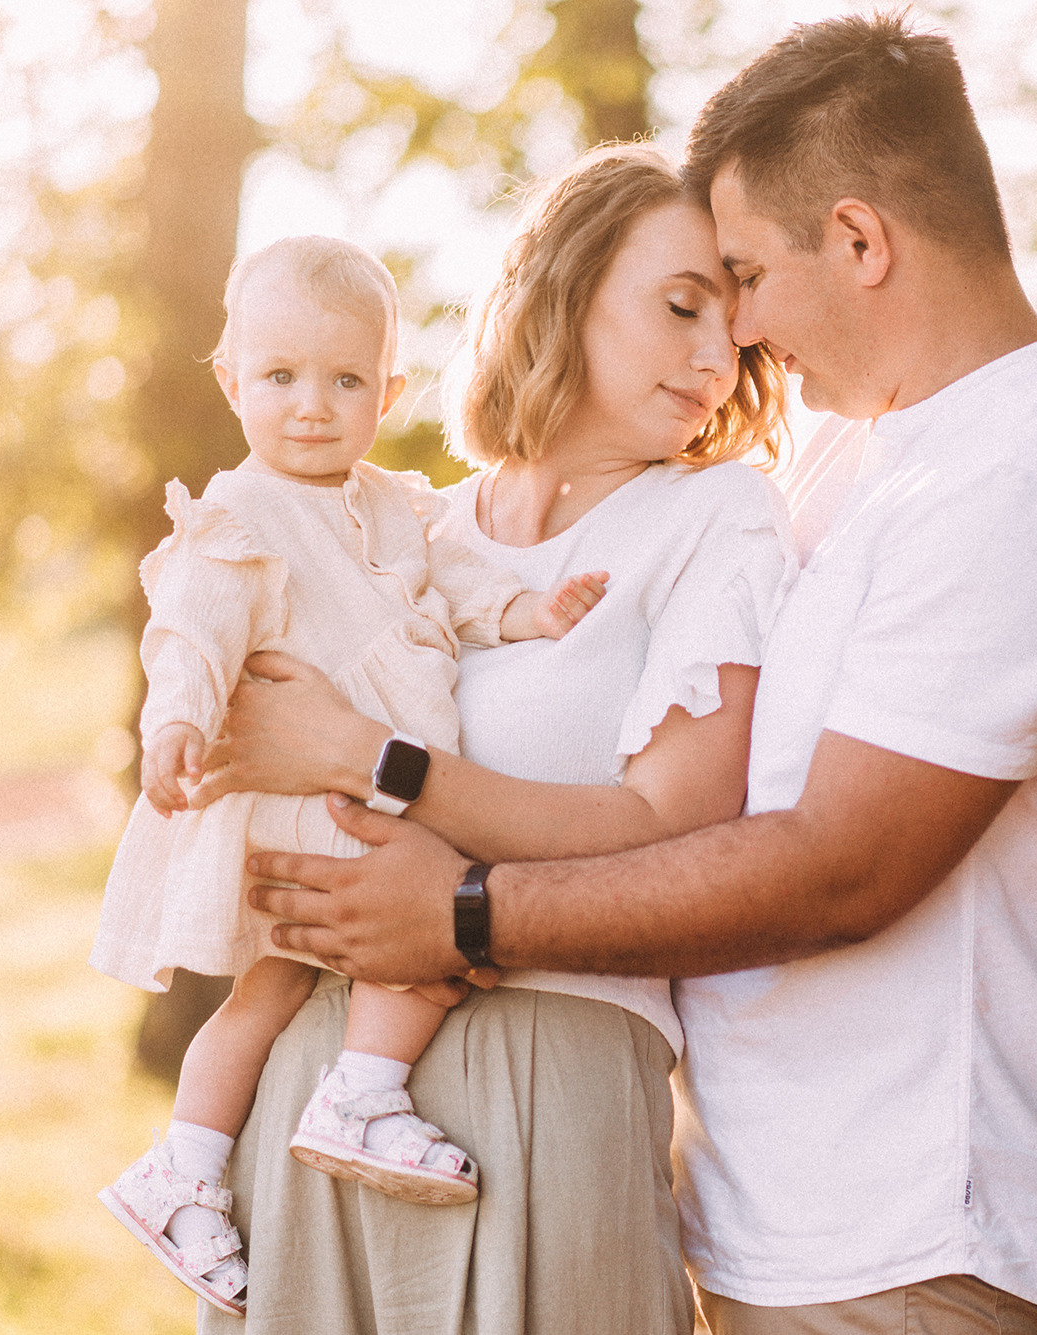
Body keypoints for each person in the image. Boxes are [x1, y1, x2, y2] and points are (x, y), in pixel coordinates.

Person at [236, 13, 1037, 1334]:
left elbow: (838, 867)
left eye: (743, 276)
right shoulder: (876, 454)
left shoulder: (1018, 486)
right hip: (772, 1207)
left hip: (901, 1224)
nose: (738, 331)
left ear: (859, 242)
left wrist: (460, 913)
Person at [185, 144, 791, 1333]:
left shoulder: (713, 519)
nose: (714, 359)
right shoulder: (407, 527)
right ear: (564, 286)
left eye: (734, 330)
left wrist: (367, 759)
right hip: (304, 1069)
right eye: (680, 307)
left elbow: (670, 830)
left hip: (547, 1071)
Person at [90, 234, 615, 1314]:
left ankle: (185, 1164)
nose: (310, 407)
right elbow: (191, 632)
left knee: (273, 988)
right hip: (314, 800)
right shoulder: (238, 517)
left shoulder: (398, 507)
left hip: (366, 780)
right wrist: (175, 719)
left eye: (342, 381)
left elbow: (462, 586)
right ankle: (362, 1095)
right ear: (232, 382)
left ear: (389, 391)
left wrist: (529, 612)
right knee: (429, 937)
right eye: (280, 377)